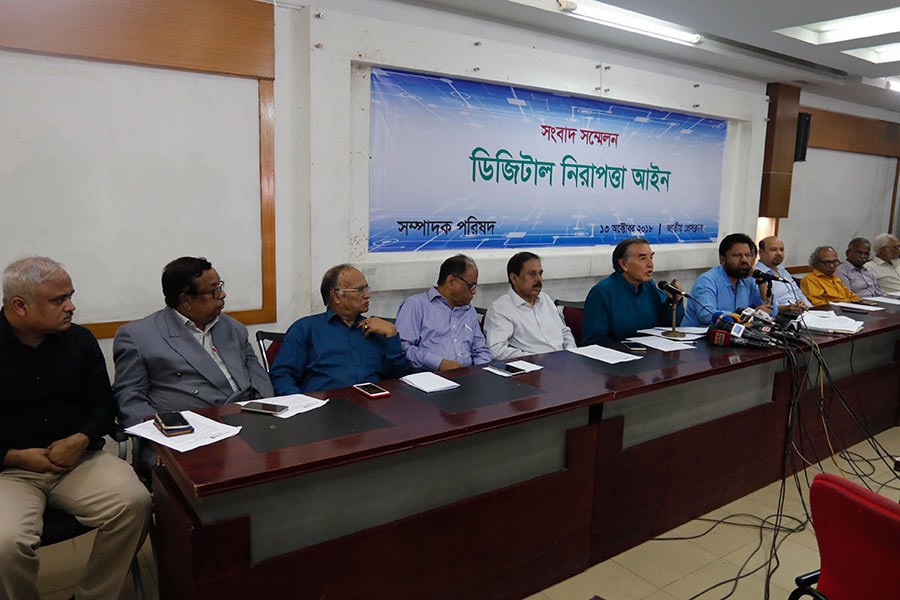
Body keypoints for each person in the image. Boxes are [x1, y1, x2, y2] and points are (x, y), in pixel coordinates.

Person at [0, 257, 151, 600]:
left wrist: (80, 439)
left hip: (79, 461)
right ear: (20, 306)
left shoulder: (80, 340)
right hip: (9, 471)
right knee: (6, 544)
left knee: (136, 503)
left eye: (70, 296)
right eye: (59, 300)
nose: (71, 306)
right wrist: (15, 456)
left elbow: (103, 405)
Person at [113, 256, 273, 428]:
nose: (223, 294)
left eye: (220, 286)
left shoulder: (232, 327)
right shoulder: (139, 337)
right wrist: (162, 431)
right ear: (186, 300)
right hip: (191, 429)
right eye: (214, 291)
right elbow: (129, 399)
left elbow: (258, 377)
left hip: (248, 419)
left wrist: (267, 410)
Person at [270, 265, 408, 394]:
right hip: (326, 405)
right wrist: (302, 404)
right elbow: (281, 376)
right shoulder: (306, 328)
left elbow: (399, 380)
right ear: (336, 296)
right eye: (359, 290)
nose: (367, 295)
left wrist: (392, 334)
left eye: (367, 288)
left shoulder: (377, 328)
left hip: (373, 403)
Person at [396, 254, 491, 371]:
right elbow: (402, 347)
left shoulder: (469, 310)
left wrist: (482, 371)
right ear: (450, 281)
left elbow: (481, 350)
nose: (474, 291)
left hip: (468, 375)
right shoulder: (416, 305)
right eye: (471, 285)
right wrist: (438, 363)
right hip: (430, 376)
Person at [583, 238, 684, 344]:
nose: (650, 264)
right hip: (619, 352)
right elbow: (594, 341)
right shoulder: (602, 292)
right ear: (623, 264)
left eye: (651, 257)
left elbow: (669, 325)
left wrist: (673, 301)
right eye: (643, 258)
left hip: (651, 349)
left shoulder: (649, 286)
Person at [483, 252, 576, 360]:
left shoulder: (545, 299)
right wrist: (534, 358)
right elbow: (497, 350)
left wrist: (570, 352)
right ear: (514, 278)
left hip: (564, 361)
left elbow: (564, 332)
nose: (539, 279)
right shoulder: (501, 309)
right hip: (534, 366)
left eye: (540, 273)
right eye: (532, 274)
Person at [683, 233, 774, 327]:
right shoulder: (707, 281)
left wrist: (761, 282)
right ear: (722, 259)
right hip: (699, 334)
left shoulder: (748, 280)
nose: (744, 260)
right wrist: (746, 316)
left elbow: (772, 311)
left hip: (735, 333)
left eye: (748, 255)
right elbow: (706, 315)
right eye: (737, 255)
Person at [755, 236, 810, 313]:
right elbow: (766, 306)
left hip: (802, 312)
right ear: (761, 252)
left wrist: (811, 309)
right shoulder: (757, 274)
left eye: (781, 250)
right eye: (773, 250)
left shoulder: (782, 269)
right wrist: (787, 308)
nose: (779, 253)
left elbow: (798, 293)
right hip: (782, 314)